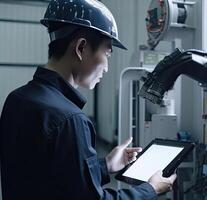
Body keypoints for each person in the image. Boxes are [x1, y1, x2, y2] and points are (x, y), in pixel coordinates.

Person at [0, 0, 176, 199]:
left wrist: (106, 165)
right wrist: (151, 189)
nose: (107, 67)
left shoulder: (18, 99)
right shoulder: (70, 119)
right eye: (107, 53)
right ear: (81, 48)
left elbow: (48, 178)